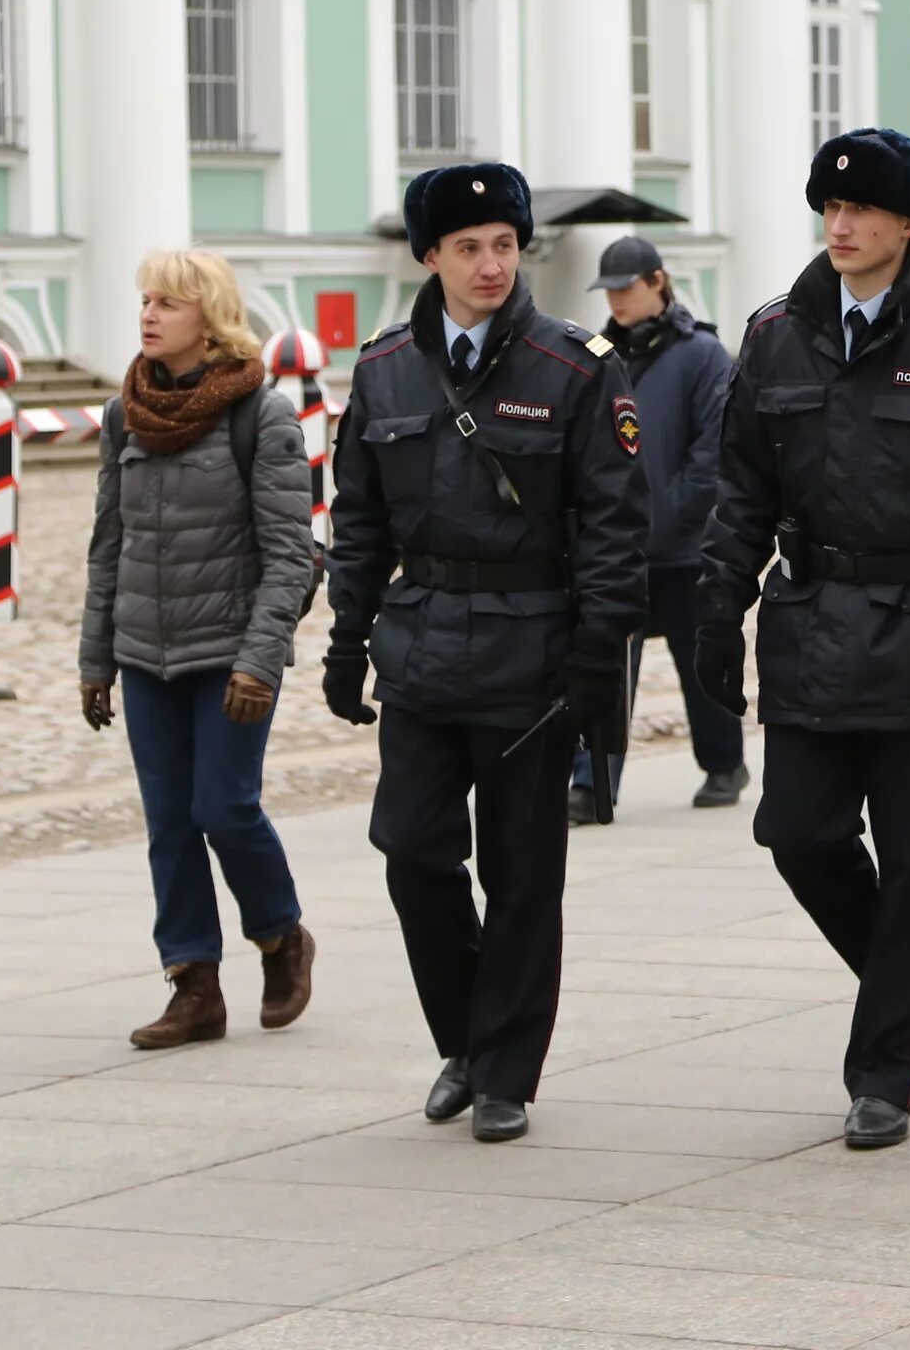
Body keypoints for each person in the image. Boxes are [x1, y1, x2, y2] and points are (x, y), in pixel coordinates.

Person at [693, 128, 910, 1151]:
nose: (840, 225)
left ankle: (883, 1072)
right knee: (796, 831)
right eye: (830, 208)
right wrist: (719, 606)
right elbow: (740, 491)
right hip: (808, 627)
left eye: (863, 211)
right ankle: (906, 965)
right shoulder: (773, 334)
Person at [320, 164, 649, 1143]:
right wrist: (345, 641)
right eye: (469, 246)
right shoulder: (384, 370)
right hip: (420, 647)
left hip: (531, 653)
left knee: (522, 871)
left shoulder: (580, 365)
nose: (491, 262)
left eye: (505, 243)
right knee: (411, 850)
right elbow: (361, 522)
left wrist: (600, 658)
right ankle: (465, 1032)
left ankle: (505, 1067)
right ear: (431, 256)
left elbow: (615, 524)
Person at [78, 249, 322, 1051]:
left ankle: (282, 938)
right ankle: (194, 986)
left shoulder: (263, 415)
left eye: (168, 303)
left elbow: (292, 553)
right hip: (147, 651)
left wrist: (260, 658)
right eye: (146, 300)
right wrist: (96, 659)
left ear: (209, 320)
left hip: (230, 650)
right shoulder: (127, 412)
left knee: (224, 807)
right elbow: (109, 541)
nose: (148, 315)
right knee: (169, 823)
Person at [568, 235, 741, 819]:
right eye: (609, 290)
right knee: (607, 664)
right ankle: (595, 783)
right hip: (618, 552)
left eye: (625, 288)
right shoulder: (595, 355)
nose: (615, 300)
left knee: (702, 664)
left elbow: (712, 454)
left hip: (689, 549)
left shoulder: (703, 356)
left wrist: (669, 518)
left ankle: (724, 764)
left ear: (657, 283)